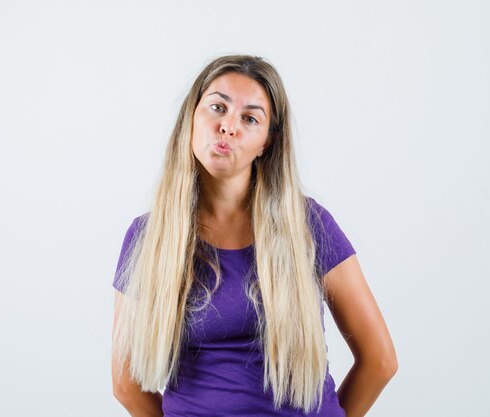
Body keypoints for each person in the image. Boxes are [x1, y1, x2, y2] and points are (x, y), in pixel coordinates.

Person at [111, 54, 397, 417]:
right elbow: (125, 384)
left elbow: (380, 360)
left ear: (267, 141)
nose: (228, 127)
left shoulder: (309, 225)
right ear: (191, 117)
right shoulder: (148, 237)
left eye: (250, 118)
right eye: (217, 107)